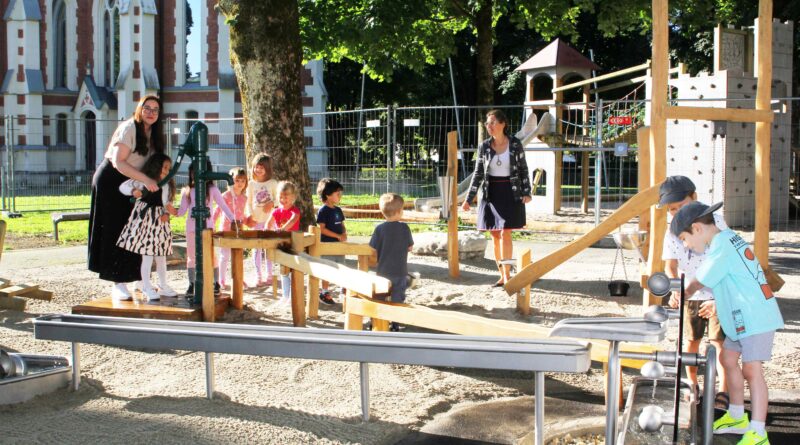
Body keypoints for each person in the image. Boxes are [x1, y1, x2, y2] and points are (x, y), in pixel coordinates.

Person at [672, 201, 784, 445]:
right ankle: (736, 415)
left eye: (683, 238)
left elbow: (700, 281)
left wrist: (683, 293)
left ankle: (758, 431)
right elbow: (732, 279)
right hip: (742, 316)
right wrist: (716, 303)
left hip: (756, 318)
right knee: (728, 359)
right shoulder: (727, 240)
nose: (684, 244)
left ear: (697, 228)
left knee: (752, 370)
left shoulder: (721, 246)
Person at [659, 175, 728, 408]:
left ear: (695, 198)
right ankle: (691, 383)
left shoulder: (714, 221)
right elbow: (670, 265)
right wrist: (675, 288)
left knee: (719, 343)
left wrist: (719, 297)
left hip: (719, 292)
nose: (677, 212)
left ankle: (723, 391)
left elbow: (725, 260)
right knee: (691, 341)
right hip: (690, 293)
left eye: (682, 206)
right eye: (672, 209)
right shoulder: (673, 231)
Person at [88, 95, 164, 300]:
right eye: (147, 108)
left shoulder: (154, 133)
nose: (151, 112)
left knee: (136, 229)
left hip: (134, 183)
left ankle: (140, 278)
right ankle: (118, 283)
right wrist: (146, 180)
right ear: (139, 109)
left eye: (155, 109)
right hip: (112, 181)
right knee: (116, 229)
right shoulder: (129, 128)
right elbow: (118, 162)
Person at [461, 109, 531, 286]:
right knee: (494, 234)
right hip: (490, 193)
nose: (488, 126)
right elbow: (478, 173)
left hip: (510, 191)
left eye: (492, 122)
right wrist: (468, 199)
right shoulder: (484, 146)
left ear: (502, 124)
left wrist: (527, 192)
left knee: (505, 233)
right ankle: (501, 275)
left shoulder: (515, 144)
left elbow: (523, 169)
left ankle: (508, 274)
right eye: (487, 123)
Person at [116, 153, 178, 301]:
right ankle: (146, 286)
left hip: (160, 224)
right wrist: (133, 191)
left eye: (169, 168)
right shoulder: (144, 180)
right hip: (146, 222)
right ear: (156, 166)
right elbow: (123, 186)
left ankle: (163, 284)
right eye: (164, 167)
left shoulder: (167, 184)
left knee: (161, 256)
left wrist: (169, 213)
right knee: (148, 256)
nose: (167, 171)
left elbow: (165, 203)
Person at [177, 160, 236, 297]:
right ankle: (192, 284)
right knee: (191, 257)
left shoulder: (212, 190)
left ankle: (215, 283)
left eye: (198, 172)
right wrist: (169, 211)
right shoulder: (187, 190)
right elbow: (181, 211)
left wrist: (233, 219)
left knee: (211, 255)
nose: (195, 175)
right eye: (193, 172)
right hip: (191, 228)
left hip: (207, 229)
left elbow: (223, 206)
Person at [369, 193, 414, 332]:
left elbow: (372, 248)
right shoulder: (404, 228)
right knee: (397, 298)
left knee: (380, 297)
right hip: (400, 271)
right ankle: (395, 323)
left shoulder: (379, 229)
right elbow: (410, 247)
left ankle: (377, 321)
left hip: (382, 271)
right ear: (399, 211)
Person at [246, 153, 279, 287]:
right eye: (256, 167)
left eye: (261, 167)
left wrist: (272, 203)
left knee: (269, 248)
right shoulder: (251, 184)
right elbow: (247, 203)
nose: (258, 170)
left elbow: (278, 200)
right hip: (256, 221)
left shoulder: (273, 183)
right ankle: (258, 275)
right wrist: (249, 216)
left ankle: (270, 274)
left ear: (267, 169)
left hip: (270, 222)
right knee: (256, 249)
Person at [213, 167, 249, 291]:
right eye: (237, 180)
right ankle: (221, 280)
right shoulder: (226, 196)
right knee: (224, 256)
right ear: (231, 181)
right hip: (226, 229)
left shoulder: (244, 198)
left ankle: (238, 278)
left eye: (243, 181)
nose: (240, 183)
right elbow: (217, 211)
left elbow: (242, 214)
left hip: (239, 230)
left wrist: (248, 220)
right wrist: (211, 224)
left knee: (238, 255)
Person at [268, 181, 301, 304]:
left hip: (292, 244)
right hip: (281, 245)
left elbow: (293, 221)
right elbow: (269, 223)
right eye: (281, 197)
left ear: (293, 197)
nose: (283, 200)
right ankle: (285, 295)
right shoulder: (276, 211)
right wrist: (267, 230)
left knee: (293, 270)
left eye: (286, 197)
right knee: (282, 271)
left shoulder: (295, 211)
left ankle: (293, 296)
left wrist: (283, 228)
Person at [316, 178, 346, 305]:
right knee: (327, 268)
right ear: (328, 195)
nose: (340, 196)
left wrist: (344, 233)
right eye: (337, 193)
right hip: (327, 245)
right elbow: (321, 229)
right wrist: (337, 236)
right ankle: (324, 292)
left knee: (341, 267)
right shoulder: (323, 211)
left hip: (339, 245)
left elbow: (342, 224)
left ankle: (343, 290)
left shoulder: (338, 210)